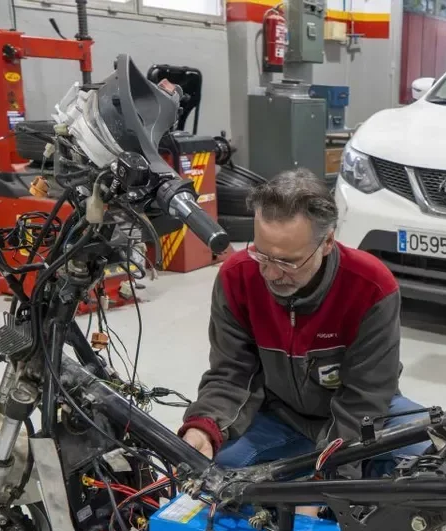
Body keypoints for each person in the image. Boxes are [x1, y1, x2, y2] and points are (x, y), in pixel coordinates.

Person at [179, 168, 427, 476]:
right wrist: (205, 428)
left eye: (287, 262)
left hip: (363, 415)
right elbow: (232, 375)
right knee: (213, 470)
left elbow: (366, 397)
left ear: (326, 242)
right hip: (279, 416)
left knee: (428, 462)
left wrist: (327, 477)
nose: (270, 273)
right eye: (262, 254)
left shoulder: (371, 286)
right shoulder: (237, 277)